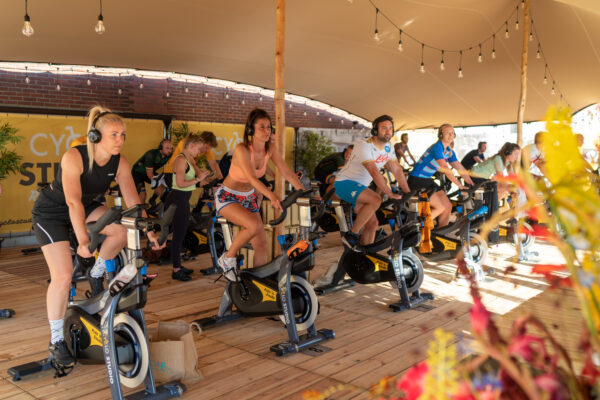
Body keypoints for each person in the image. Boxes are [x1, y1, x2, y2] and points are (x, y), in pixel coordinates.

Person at [31, 106, 162, 368]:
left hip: (86, 206)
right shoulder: (74, 157)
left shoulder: (120, 162)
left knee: (121, 231)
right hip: (52, 213)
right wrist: (82, 242)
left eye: (122, 135)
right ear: (95, 136)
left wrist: (149, 231)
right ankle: (56, 340)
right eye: (114, 134)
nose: (120, 140)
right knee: (63, 276)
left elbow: (133, 201)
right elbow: (72, 202)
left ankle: (96, 271)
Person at [214, 108, 304, 280]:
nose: (266, 130)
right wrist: (272, 196)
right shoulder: (242, 149)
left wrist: (305, 193)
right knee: (254, 226)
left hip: (248, 198)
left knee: (261, 245)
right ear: (251, 130)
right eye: (262, 127)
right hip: (228, 196)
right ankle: (227, 258)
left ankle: (258, 283)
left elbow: (287, 173)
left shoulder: (270, 149)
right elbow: (252, 178)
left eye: (268, 127)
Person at [333, 115, 410, 250]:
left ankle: (364, 255)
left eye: (390, 128)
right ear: (375, 130)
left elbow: (397, 170)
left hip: (360, 188)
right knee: (375, 199)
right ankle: (351, 235)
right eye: (384, 128)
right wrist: (389, 193)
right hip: (344, 183)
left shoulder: (389, 147)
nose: (388, 131)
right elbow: (374, 171)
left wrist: (408, 192)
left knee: (372, 224)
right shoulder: (363, 144)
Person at [408, 124, 474, 228]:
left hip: (427, 180)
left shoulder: (449, 151)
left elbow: (459, 167)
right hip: (416, 180)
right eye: (447, 132)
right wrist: (459, 185)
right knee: (440, 207)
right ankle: (415, 228)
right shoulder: (437, 147)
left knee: (448, 206)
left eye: (452, 133)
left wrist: (471, 183)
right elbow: (445, 168)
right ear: (440, 135)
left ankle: (441, 231)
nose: (450, 135)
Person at [165, 135, 210, 281]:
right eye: (198, 149)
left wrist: (203, 178)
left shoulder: (188, 159)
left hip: (183, 198)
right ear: (191, 146)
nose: (199, 152)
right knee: (178, 235)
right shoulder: (180, 160)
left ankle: (178, 265)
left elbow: (194, 178)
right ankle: (176, 270)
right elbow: (180, 184)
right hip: (177, 199)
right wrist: (198, 180)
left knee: (182, 233)